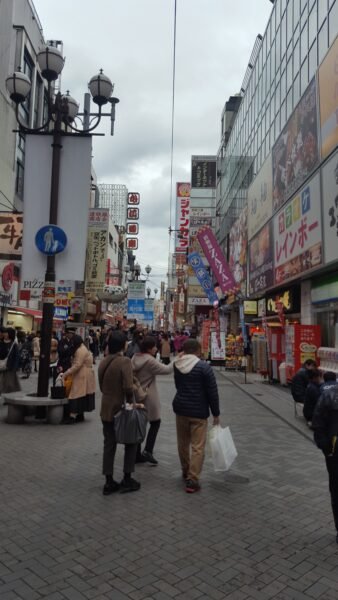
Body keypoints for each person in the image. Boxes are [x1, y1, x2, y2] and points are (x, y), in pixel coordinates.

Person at [173, 338, 220, 493]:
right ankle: (193, 480)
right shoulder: (204, 368)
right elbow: (212, 392)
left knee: (182, 443)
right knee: (198, 446)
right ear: (198, 350)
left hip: (181, 409)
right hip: (199, 411)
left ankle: (185, 470)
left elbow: (178, 385)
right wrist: (216, 414)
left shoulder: (177, 365)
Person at [98, 330, 141, 494]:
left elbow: (102, 386)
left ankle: (108, 481)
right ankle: (127, 478)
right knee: (131, 442)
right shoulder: (124, 362)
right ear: (124, 345)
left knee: (109, 444)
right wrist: (131, 403)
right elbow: (128, 387)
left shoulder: (103, 361)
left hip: (106, 408)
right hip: (121, 409)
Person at [131, 335, 173, 464]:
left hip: (136, 395)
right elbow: (166, 370)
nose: (156, 348)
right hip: (149, 396)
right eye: (154, 346)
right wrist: (177, 360)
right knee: (155, 422)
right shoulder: (150, 360)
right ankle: (148, 451)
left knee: (139, 424)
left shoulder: (135, 357)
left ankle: (136, 454)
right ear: (149, 348)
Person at [312, 376, 338, 544]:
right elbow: (318, 422)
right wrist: (325, 447)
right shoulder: (330, 395)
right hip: (335, 453)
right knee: (336, 490)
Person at [63, 335, 95, 424]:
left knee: (75, 394)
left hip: (82, 374)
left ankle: (72, 416)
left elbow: (77, 365)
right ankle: (80, 414)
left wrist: (66, 373)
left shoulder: (80, 350)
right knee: (83, 394)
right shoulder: (83, 348)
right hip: (86, 374)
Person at [0, 327, 20, 395]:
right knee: (2, 383)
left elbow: (16, 357)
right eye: (4, 332)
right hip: (1, 367)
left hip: (10, 367)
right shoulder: (1, 343)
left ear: (10, 334)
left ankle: (9, 397)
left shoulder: (14, 344)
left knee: (10, 384)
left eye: (6, 333)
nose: (5, 334)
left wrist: (15, 368)